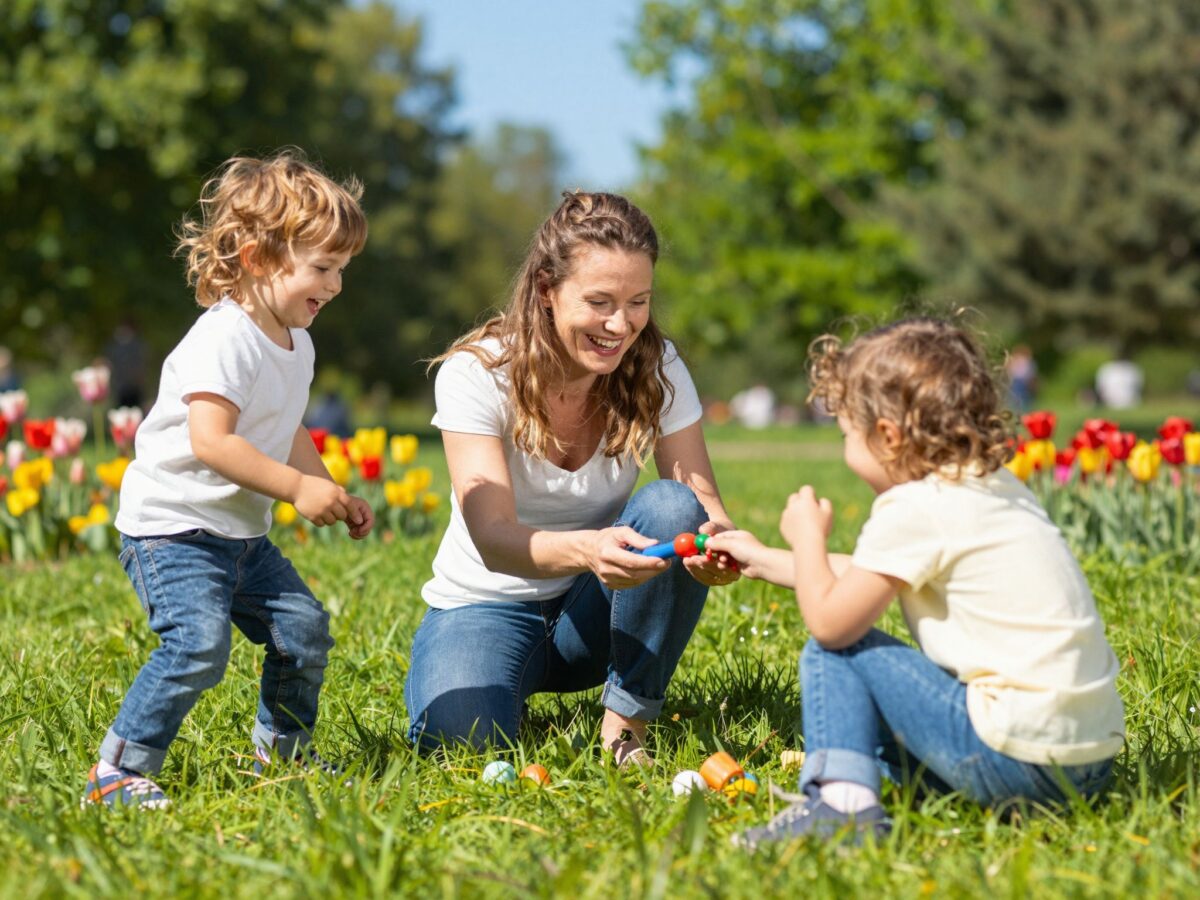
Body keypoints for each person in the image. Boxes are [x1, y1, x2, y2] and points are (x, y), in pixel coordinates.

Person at [706, 318, 1125, 846]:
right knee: (874, 708)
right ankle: (867, 778)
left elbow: (832, 622)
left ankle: (842, 809)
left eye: (847, 436)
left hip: (1015, 757)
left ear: (887, 437)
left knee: (835, 653)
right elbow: (865, 576)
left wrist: (808, 539)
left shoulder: (915, 508)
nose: (846, 449)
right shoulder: (990, 487)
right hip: (1086, 762)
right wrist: (763, 557)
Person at [82, 151, 374, 810]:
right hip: (173, 531)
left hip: (240, 536)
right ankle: (118, 769)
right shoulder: (224, 339)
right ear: (259, 260)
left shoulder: (297, 344)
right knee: (198, 645)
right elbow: (210, 443)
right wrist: (297, 491)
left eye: (341, 271)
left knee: (303, 631)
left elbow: (287, 428)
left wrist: (327, 486)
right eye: (323, 268)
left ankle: (284, 754)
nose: (334, 286)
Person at [406, 191, 740, 766]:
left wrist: (716, 549)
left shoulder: (658, 369)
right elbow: (492, 536)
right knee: (462, 748)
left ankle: (626, 726)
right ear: (545, 292)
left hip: (599, 612)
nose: (621, 324)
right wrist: (590, 549)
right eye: (600, 301)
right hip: (485, 604)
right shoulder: (480, 374)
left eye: (639, 302)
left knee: (674, 509)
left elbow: (703, 504)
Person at [1005, 343, 1037, 412]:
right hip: (1017, 381)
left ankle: (1021, 411)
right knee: (1016, 397)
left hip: (1022, 382)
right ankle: (1017, 411)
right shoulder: (1018, 361)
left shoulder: (1027, 361)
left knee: (1021, 398)